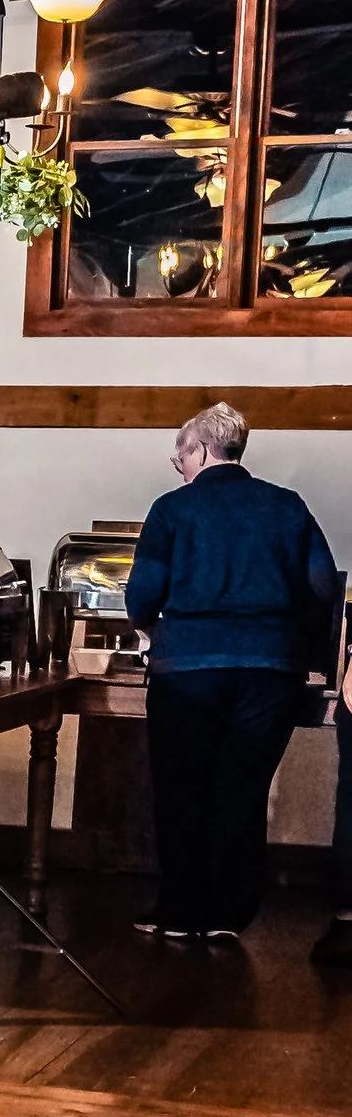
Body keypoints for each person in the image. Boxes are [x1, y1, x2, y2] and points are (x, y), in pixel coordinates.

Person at [128, 401, 341, 945]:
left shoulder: (171, 510)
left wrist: (154, 628)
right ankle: (229, 912)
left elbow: (141, 596)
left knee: (182, 790)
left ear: (198, 450)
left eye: (179, 455)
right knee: (242, 789)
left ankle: (179, 912)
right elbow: (322, 587)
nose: (177, 466)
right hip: (270, 671)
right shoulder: (288, 507)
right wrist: (305, 652)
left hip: (188, 670)